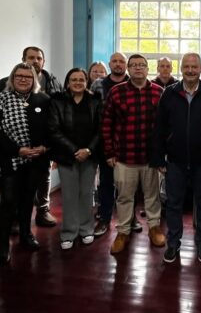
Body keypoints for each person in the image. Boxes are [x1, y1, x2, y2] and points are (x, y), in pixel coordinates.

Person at [152, 53, 201, 263]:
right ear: (181, 68)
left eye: (194, 67)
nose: (190, 70)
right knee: (173, 204)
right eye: (187, 67)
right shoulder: (169, 93)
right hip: (175, 161)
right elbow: (159, 128)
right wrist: (159, 158)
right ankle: (173, 243)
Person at [0, 63, 52, 266]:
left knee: (27, 199)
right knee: (8, 201)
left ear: (34, 79)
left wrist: (45, 147)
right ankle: (3, 245)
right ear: (12, 79)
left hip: (35, 161)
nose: (23, 79)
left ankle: (26, 234)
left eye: (27, 76)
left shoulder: (43, 99)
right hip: (8, 162)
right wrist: (17, 149)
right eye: (18, 76)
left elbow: (53, 126)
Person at [103, 54, 166, 254]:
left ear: (148, 69)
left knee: (152, 196)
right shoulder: (116, 92)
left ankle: (154, 227)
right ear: (128, 69)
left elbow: (165, 127)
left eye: (142, 65)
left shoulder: (159, 92)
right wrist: (109, 153)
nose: (138, 68)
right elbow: (107, 124)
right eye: (134, 65)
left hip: (150, 158)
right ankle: (123, 231)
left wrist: (162, 155)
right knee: (124, 197)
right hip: (124, 157)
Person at [0, 46, 62, 228]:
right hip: (15, 147)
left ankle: (43, 210)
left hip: (43, 145)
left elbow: (57, 114)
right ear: (23, 59)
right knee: (16, 184)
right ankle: (16, 218)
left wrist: (47, 144)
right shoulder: (5, 83)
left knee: (44, 176)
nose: (35, 61)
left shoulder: (53, 82)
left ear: (43, 61)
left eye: (39, 58)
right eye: (31, 57)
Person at [48, 68, 102, 250]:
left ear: (86, 82)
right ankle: (69, 232)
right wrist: (74, 150)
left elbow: (100, 130)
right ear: (68, 82)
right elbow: (54, 129)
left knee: (86, 193)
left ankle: (86, 229)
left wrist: (88, 150)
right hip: (66, 156)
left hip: (89, 156)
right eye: (74, 79)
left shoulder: (95, 101)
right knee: (69, 195)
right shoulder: (57, 101)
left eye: (81, 79)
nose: (78, 83)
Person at [90, 52, 133, 237]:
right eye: (114, 61)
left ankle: (130, 219)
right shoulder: (98, 84)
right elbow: (92, 112)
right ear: (109, 64)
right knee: (106, 182)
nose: (118, 64)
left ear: (126, 65)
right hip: (105, 141)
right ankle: (104, 218)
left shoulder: (134, 83)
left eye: (121, 61)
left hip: (128, 142)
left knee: (130, 184)